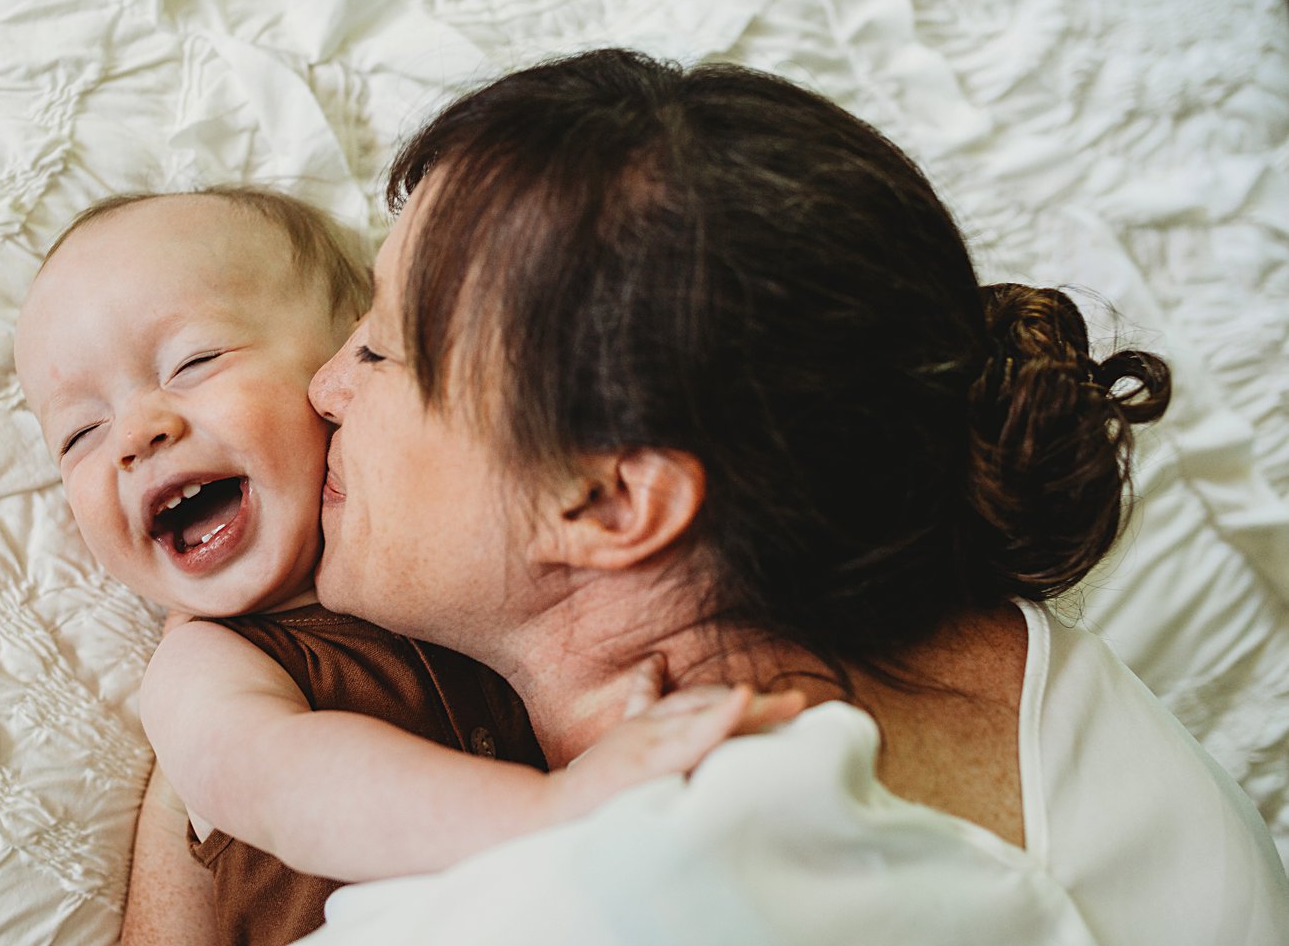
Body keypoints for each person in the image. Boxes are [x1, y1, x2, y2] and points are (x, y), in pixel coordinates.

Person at [142, 50, 1289, 944]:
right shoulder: (1025, 671)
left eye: (384, 352)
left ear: (609, 502)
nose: (326, 389)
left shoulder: (610, 890)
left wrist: (212, 720)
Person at [13, 186, 801, 945]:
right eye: (80, 434)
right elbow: (279, 781)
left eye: (194, 360)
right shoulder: (208, 664)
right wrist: (551, 812)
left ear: (340, 365)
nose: (136, 434)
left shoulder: (450, 580)